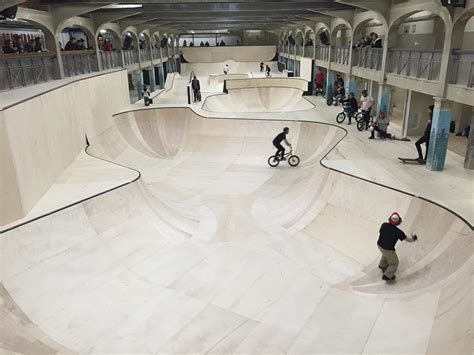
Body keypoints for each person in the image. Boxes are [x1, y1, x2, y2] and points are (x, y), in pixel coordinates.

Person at [377, 212, 417, 281]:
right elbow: (408, 240)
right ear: (398, 222)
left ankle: (382, 265)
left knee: (386, 254)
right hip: (388, 249)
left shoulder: (384, 225)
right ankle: (387, 275)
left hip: (379, 245)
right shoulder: (398, 232)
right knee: (394, 262)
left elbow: (380, 232)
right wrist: (413, 239)